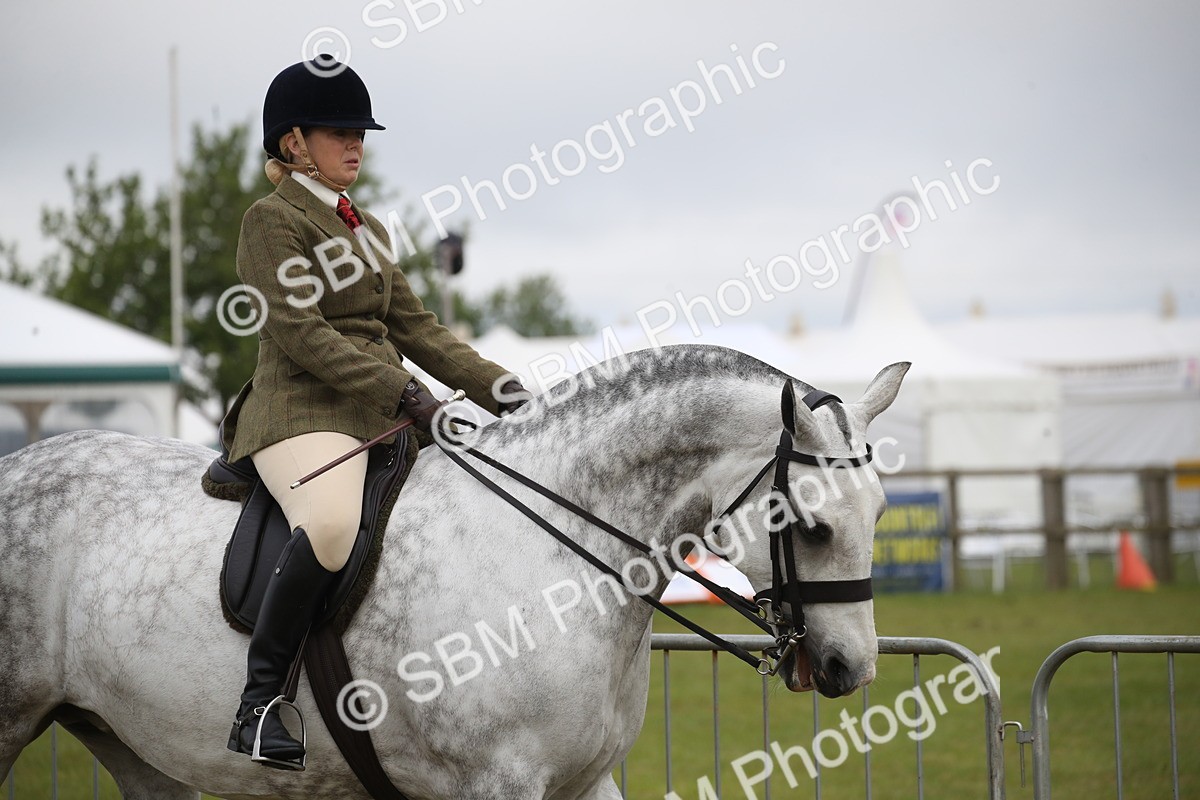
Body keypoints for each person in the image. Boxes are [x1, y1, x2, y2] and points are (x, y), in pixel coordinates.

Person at [219, 55, 530, 770]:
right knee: (329, 525)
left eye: (360, 131)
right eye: (338, 131)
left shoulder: (368, 231)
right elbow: (304, 336)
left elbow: (420, 331)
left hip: (378, 416)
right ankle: (259, 703)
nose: (355, 143)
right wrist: (411, 398)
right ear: (293, 143)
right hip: (298, 413)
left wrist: (513, 395)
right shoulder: (270, 223)